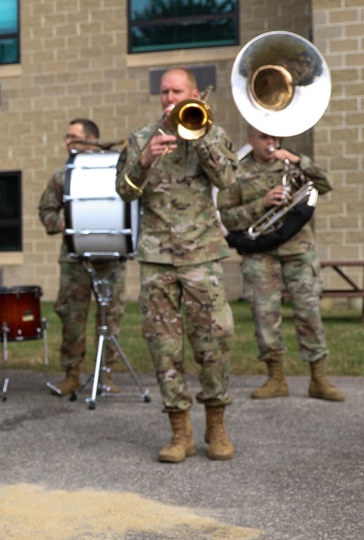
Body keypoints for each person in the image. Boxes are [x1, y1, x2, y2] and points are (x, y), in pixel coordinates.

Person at [115, 68, 238, 463]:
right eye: (164, 92)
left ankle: (216, 427)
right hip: (156, 258)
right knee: (163, 347)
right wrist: (145, 160)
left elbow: (228, 180)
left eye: (177, 91)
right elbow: (123, 191)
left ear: (195, 94)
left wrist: (200, 139)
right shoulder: (140, 138)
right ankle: (179, 432)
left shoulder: (212, 132)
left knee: (213, 342)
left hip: (201, 254)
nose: (169, 98)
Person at [218, 127, 344, 402]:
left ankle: (318, 378)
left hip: (299, 250)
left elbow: (325, 185)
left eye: (275, 137)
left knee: (309, 312)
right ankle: (276, 377)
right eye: (264, 137)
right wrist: (260, 204)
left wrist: (300, 160)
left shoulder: (292, 164)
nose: (271, 142)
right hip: (260, 254)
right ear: (250, 138)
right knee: (265, 315)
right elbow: (227, 218)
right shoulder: (236, 172)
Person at [38, 119, 126, 395]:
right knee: (71, 317)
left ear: (92, 140)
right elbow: (46, 211)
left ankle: (106, 376)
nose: (68, 142)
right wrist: (61, 223)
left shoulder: (114, 171)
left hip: (110, 258)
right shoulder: (61, 176)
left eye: (73, 137)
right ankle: (71, 374)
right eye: (66, 137)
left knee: (110, 318)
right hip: (74, 258)